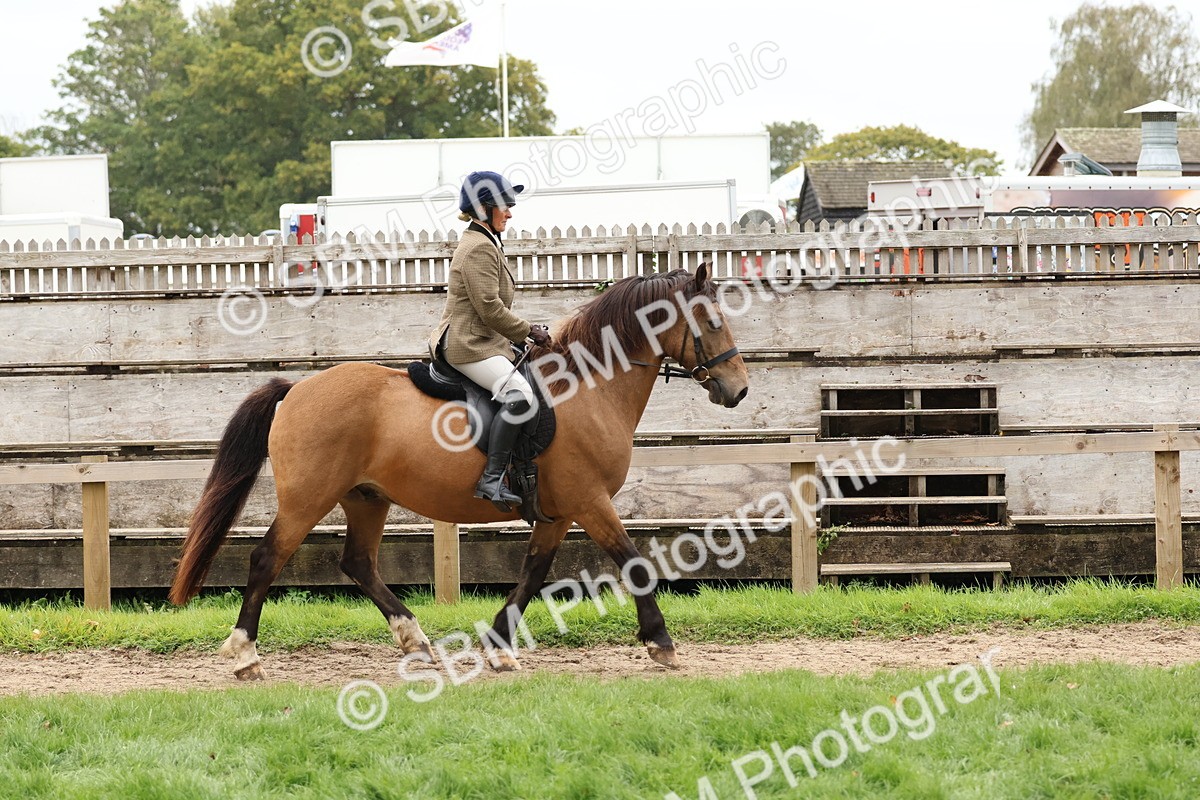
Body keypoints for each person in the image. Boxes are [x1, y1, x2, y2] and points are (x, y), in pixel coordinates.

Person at [428, 171, 552, 511]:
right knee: (521, 396)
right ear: (484, 209)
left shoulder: (485, 242)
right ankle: (492, 478)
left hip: (484, 339)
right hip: (467, 345)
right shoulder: (478, 248)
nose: (510, 212)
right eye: (505, 205)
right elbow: (489, 309)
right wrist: (529, 331)